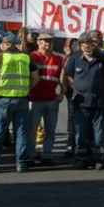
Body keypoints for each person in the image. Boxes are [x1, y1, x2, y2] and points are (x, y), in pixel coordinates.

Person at [0, 33, 39, 173]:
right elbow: (35, 78)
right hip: (21, 99)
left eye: (4, 43)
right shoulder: (25, 58)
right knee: (21, 132)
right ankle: (21, 163)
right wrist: (26, 88)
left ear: (7, 44)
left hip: (2, 99)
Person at [62, 32, 104, 169]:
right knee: (81, 133)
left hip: (98, 102)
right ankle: (81, 159)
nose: (86, 47)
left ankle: (99, 159)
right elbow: (68, 75)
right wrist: (76, 88)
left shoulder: (103, 59)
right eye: (83, 44)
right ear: (80, 45)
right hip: (80, 103)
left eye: (89, 44)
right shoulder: (74, 58)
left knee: (99, 134)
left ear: (94, 45)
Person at [29, 32, 64, 165]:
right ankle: (31, 155)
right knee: (32, 130)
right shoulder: (31, 57)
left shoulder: (58, 58)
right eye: (43, 41)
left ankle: (47, 155)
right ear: (38, 42)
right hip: (35, 99)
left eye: (49, 41)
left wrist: (61, 93)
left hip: (51, 99)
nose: (46, 43)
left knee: (50, 129)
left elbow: (62, 77)